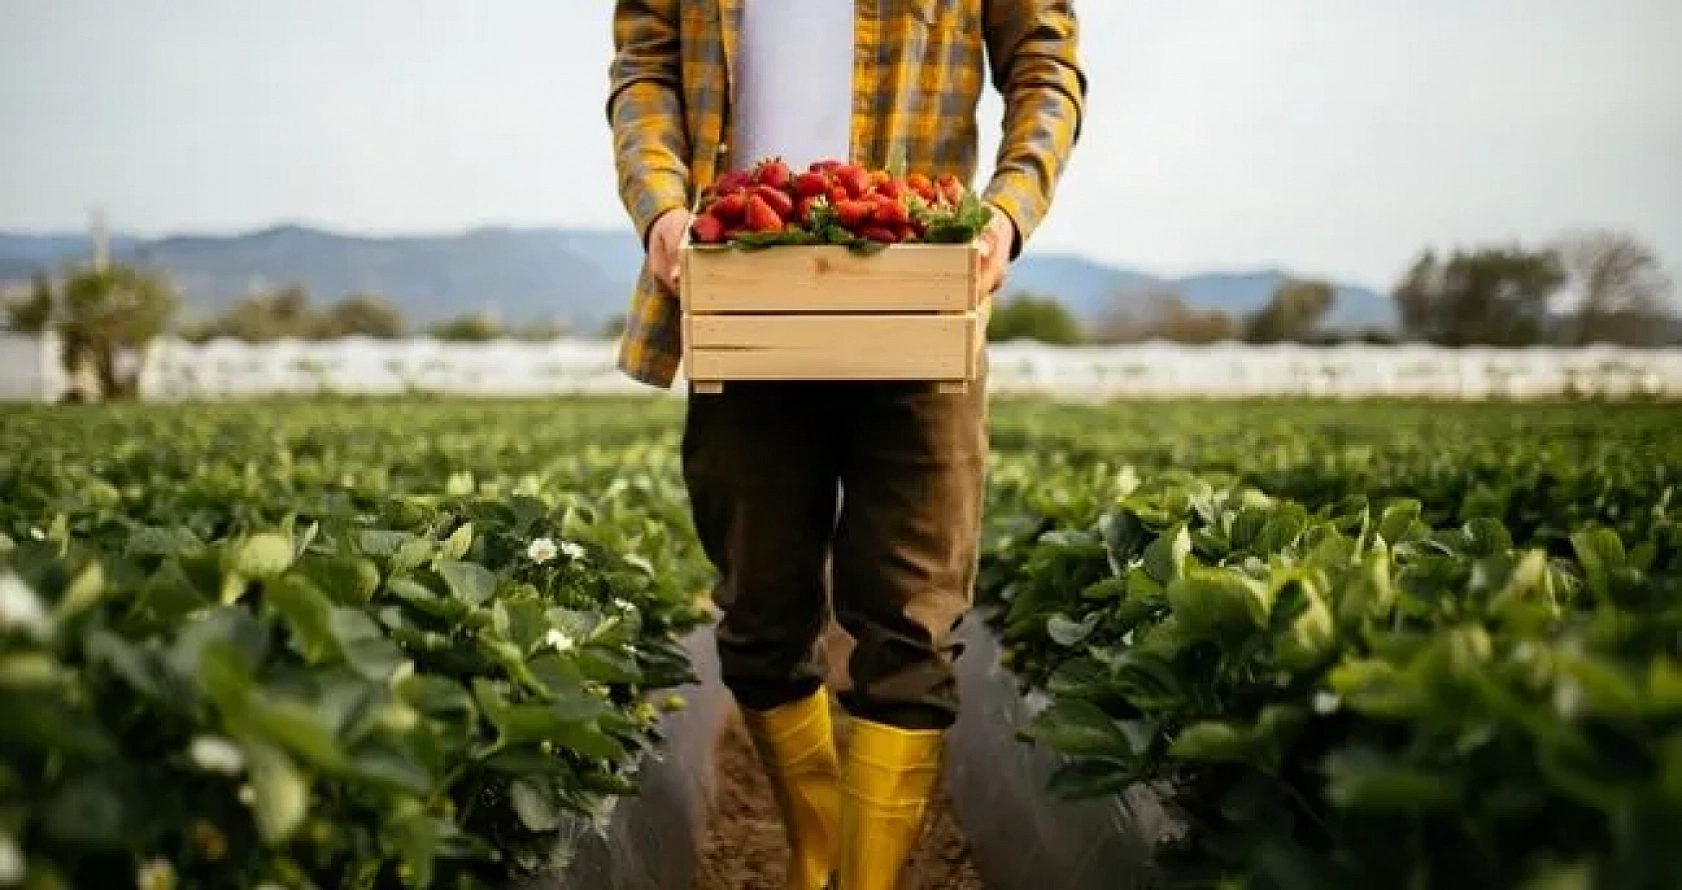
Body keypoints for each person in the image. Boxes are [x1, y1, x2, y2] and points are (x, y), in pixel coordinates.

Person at [606, 2, 1086, 887]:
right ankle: (816, 853)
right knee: (758, 616)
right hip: (743, 281)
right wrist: (662, 208)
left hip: (918, 285)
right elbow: (646, 68)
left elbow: (1046, 67)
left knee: (913, 622)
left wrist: (1006, 215)